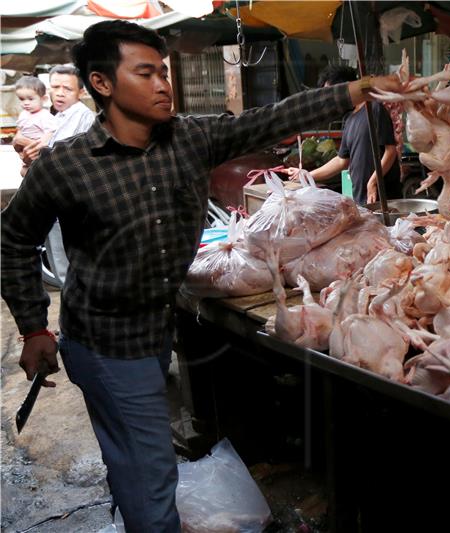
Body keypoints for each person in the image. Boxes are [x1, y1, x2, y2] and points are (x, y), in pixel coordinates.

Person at [0, 20, 400, 532]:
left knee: (133, 460)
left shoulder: (188, 139)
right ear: (102, 84)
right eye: (145, 73)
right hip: (105, 342)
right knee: (149, 471)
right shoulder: (67, 165)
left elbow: (267, 119)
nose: (164, 83)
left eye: (163, 72)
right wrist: (33, 326)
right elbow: (13, 239)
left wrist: (351, 93)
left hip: (153, 332)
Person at [22, 65, 97, 285]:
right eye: (55, 87)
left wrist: (32, 152)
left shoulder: (83, 117)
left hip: (72, 201)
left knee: (70, 268)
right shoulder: (57, 117)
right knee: (61, 266)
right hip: (55, 199)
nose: (60, 92)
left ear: (81, 92)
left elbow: (63, 158)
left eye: (67, 88)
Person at [287, 64, 402, 206]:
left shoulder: (374, 109)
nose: (330, 101)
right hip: (361, 197)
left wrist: (373, 181)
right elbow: (342, 161)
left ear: (346, 88)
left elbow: (390, 152)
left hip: (385, 197)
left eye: (331, 94)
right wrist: (306, 175)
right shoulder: (349, 119)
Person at [12, 76, 58, 176]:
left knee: (38, 175)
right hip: (25, 153)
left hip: (38, 152)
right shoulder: (23, 114)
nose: (26, 103)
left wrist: (37, 148)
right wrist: (18, 146)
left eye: (31, 99)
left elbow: (49, 134)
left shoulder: (45, 116)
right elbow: (19, 131)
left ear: (44, 99)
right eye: (22, 99)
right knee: (24, 173)